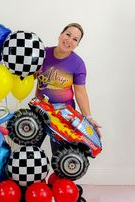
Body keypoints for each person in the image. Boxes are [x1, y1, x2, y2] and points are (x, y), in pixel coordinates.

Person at [35, 23, 101, 152]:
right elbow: (27, 77)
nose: (69, 40)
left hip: (63, 116)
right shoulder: (42, 54)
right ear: (61, 34)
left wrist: (88, 117)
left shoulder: (78, 64)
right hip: (39, 109)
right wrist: (32, 72)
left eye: (75, 39)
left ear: (77, 44)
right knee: (28, 150)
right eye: (68, 34)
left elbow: (80, 93)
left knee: (61, 155)